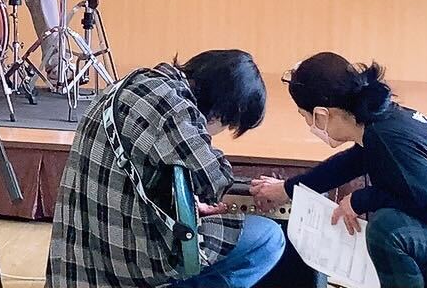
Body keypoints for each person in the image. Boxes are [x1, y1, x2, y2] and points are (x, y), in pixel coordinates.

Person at [250, 52, 427, 288]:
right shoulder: (383, 122)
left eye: (305, 117)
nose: (308, 125)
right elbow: (349, 163)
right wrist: (287, 189)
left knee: (389, 229)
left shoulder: (386, 138)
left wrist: (362, 199)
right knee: (395, 221)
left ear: (322, 114)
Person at [47, 50, 283, 288]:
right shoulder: (170, 105)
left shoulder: (130, 85)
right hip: (125, 259)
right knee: (269, 238)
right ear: (222, 111)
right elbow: (214, 179)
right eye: (229, 125)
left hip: (74, 263)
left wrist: (189, 202)